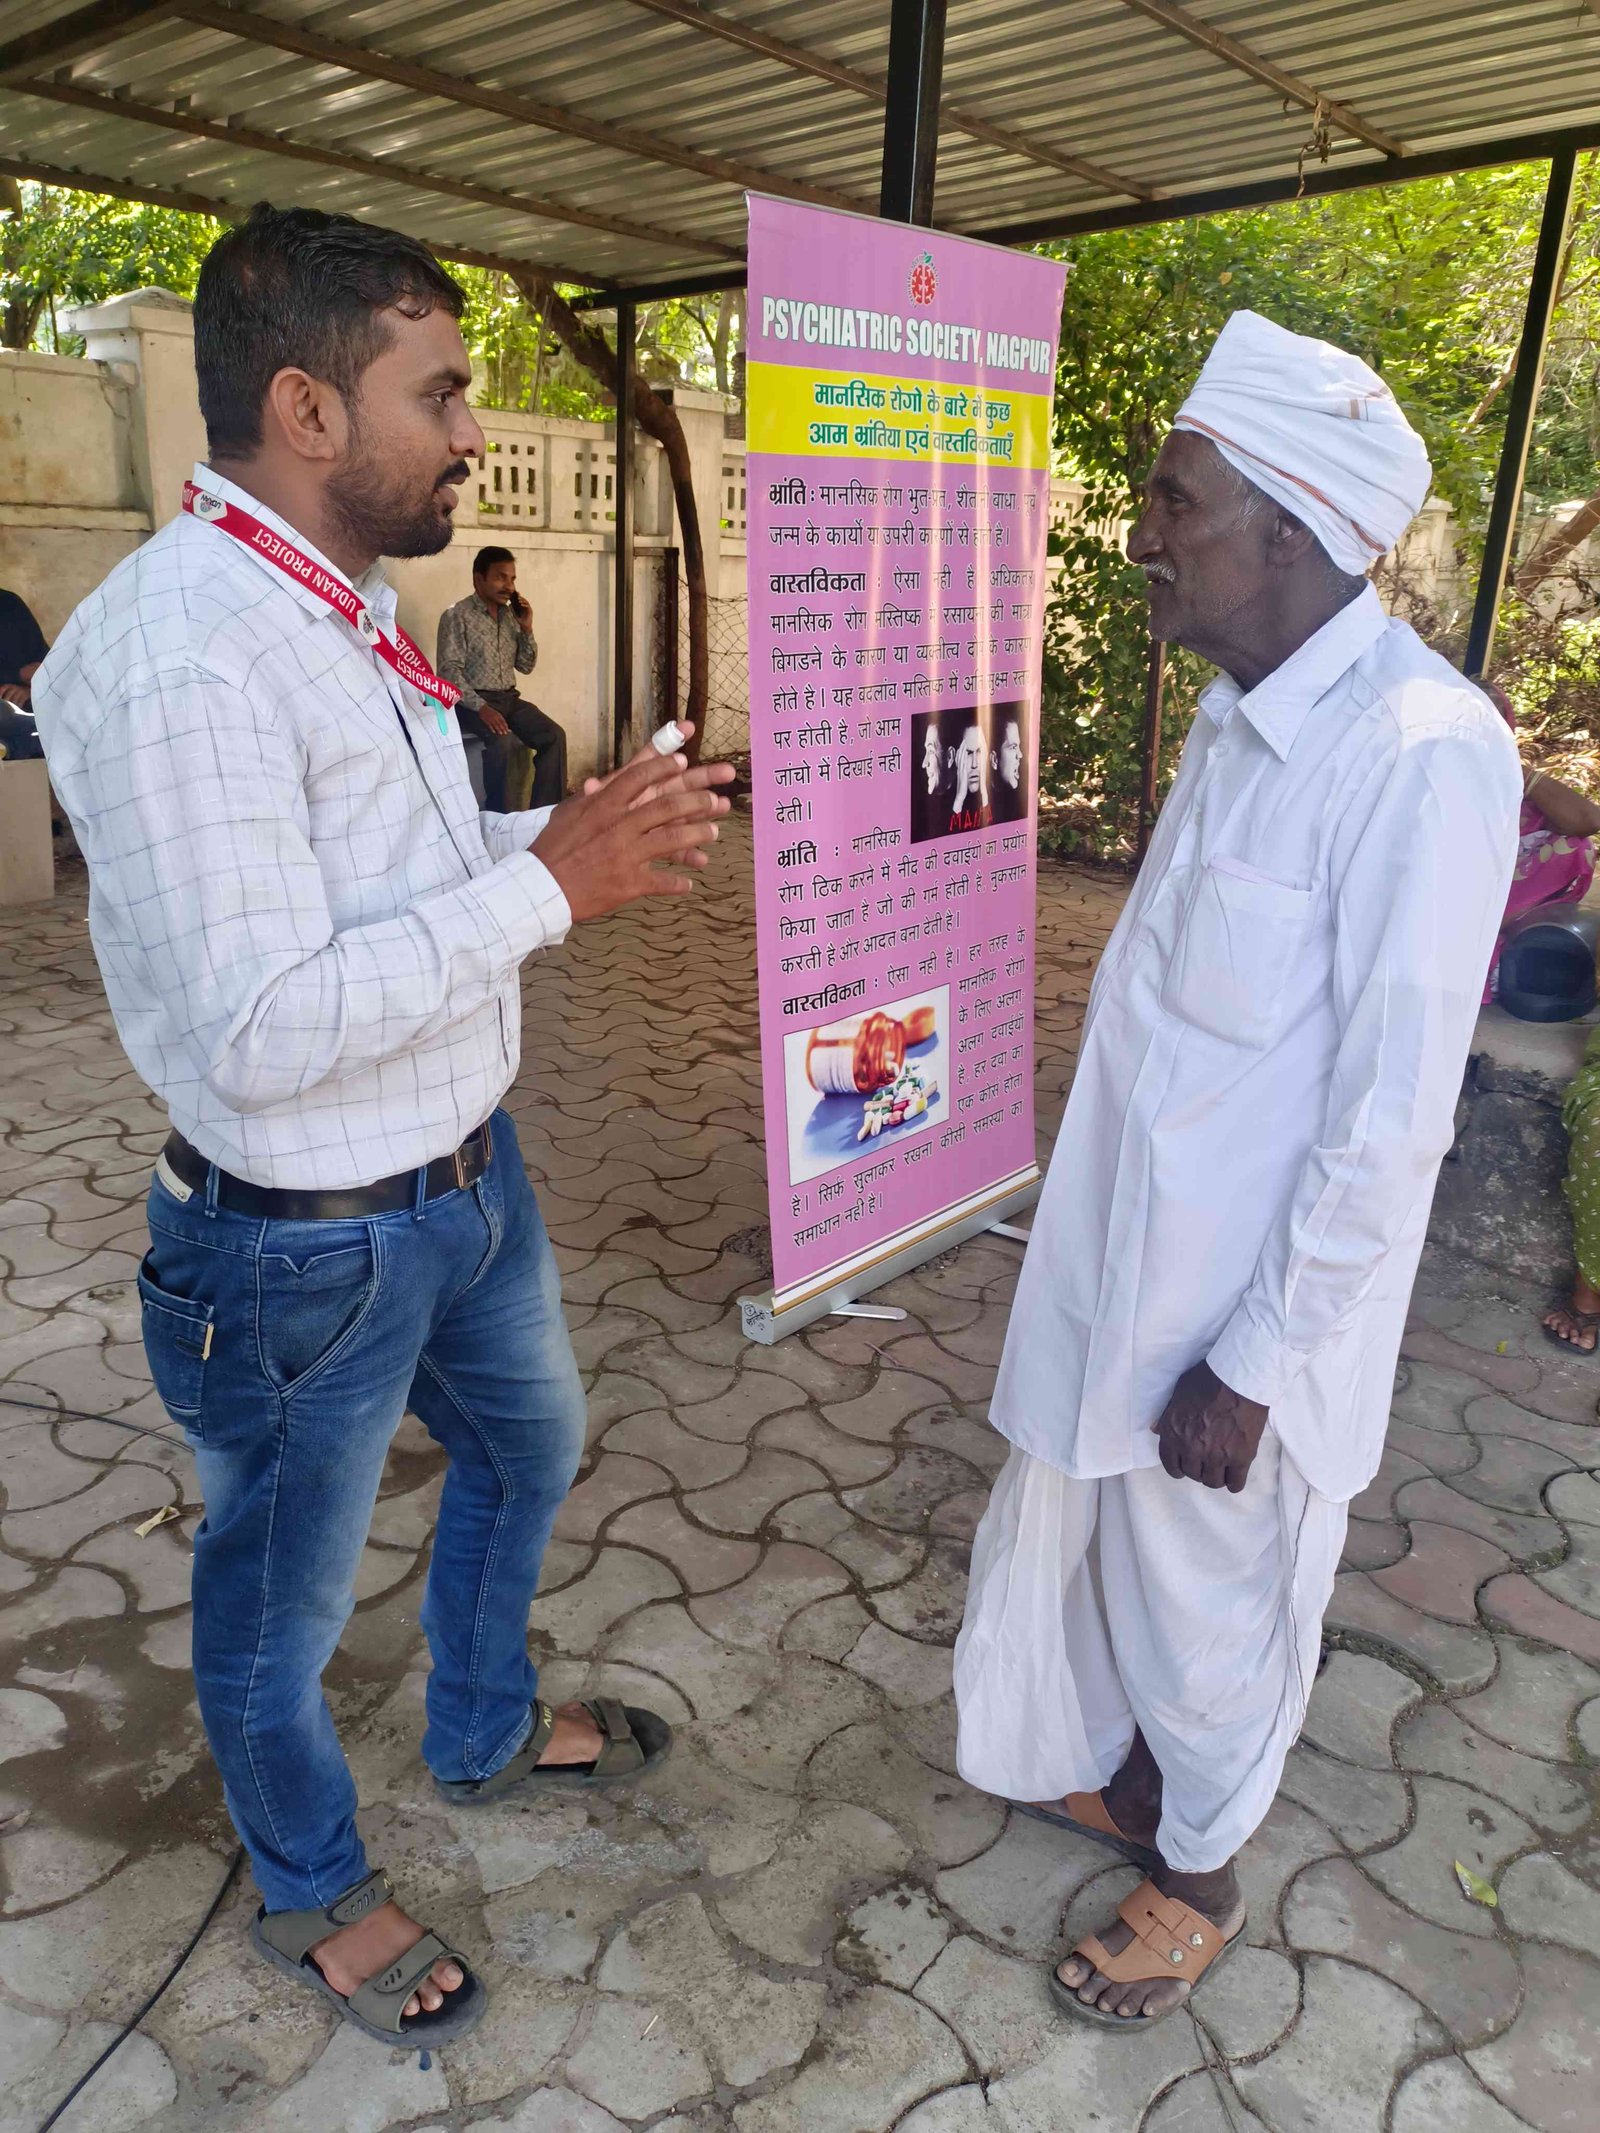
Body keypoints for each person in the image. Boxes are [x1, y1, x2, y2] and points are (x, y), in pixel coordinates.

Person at [33, 204, 733, 2054]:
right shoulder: (190, 656)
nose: (472, 431)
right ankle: (312, 1883)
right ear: (308, 408)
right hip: (302, 1241)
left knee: (531, 1439)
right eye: (442, 391)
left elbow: (384, 879)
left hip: (466, 1184)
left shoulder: (331, 610)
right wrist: (551, 891)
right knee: (278, 1598)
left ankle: (482, 1725)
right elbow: (260, 1027)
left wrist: (569, 842)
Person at [954, 310, 1519, 2027]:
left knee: (1215, 1603)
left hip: (1248, 1326)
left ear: (1292, 530)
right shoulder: (1234, 710)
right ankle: (1122, 1774)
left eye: (1173, 498)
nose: (1142, 530)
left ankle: (1200, 1877)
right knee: (1104, 1555)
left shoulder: (1424, 752)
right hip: (1129, 1263)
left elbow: (1392, 1114)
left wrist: (1260, 1358)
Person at [1481, 680, 1599, 1006]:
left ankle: (1481, 935)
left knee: (1573, 849)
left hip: (1483, 908)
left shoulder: (1512, 786)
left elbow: (1588, 821)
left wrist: (1512, 767)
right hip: (1426, 892)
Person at [436, 547, 567, 810]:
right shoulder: (457, 616)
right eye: (500, 577)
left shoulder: (510, 616)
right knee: (503, 743)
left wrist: (527, 628)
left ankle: (544, 814)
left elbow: (525, 666)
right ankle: (500, 817)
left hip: (509, 699)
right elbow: (448, 672)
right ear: (479, 579)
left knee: (554, 735)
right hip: (471, 703)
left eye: (512, 579)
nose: (509, 586)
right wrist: (482, 708)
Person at [0, 583, 48, 759]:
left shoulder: (9, 603)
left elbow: (45, 668)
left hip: (24, 716)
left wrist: (30, 690)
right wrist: (17, 675)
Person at [949, 718, 991, 833]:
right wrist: (959, 800)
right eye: (968, 753)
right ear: (956, 757)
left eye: (979, 752)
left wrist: (984, 795)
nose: (974, 764)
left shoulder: (1001, 798)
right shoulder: (940, 805)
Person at [991, 709, 1028, 825]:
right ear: (994, 759)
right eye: (1013, 747)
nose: (1020, 755)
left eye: (1019, 747)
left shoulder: (1019, 804)